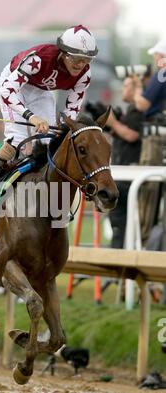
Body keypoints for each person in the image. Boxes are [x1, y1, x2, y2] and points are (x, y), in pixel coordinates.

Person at [0, 25, 98, 205]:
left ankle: (39, 193)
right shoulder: (39, 59)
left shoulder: (84, 75)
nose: (81, 65)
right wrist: (31, 117)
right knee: (17, 139)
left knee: (48, 142)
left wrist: (63, 129)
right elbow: (7, 91)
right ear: (64, 53)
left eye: (86, 60)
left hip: (41, 92)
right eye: (77, 59)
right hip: (13, 87)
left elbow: (72, 110)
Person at [134, 40, 166, 245]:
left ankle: (143, 243)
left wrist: (138, 89)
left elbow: (142, 104)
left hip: (157, 139)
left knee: (148, 188)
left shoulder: (162, 74)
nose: (155, 60)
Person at [106, 75, 143, 249]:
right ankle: (116, 264)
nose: (123, 89)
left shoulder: (140, 113)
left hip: (131, 177)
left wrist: (113, 122)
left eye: (127, 86)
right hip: (121, 175)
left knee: (123, 222)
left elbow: (132, 135)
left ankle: (118, 266)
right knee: (118, 222)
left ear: (137, 89)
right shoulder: (130, 111)